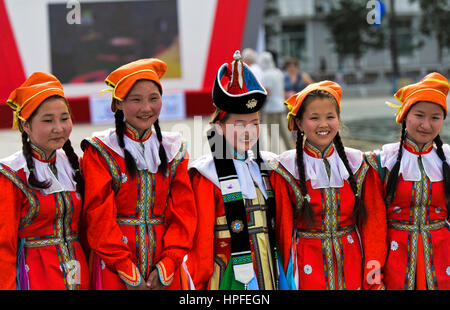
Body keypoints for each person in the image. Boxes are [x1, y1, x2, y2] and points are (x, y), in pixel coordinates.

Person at [80, 58, 197, 290]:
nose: (146, 108)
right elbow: (97, 214)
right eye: (136, 100)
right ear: (118, 104)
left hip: (164, 265)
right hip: (115, 266)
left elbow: (184, 211)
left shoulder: (174, 149)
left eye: (154, 98)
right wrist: (125, 268)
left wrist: (168, 262)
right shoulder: (101, 150)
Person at [269, 81, 387, 290]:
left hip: (352, 261)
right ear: (299, 123)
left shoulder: (358, 164)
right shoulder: (285, 169)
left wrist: (373, 270)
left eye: (330, 117)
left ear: (339, 120)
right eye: (314, 118)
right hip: (306, 265)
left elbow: (373, 224)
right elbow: (283, 229)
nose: (323, 124)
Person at [184, 50, 282, 290]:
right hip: (227, 276)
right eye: (239, 124)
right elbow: (203, 240)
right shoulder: (206, 175)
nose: (248, 132)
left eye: (255, 123)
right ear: (219, 126)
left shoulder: (268, 167)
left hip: (270, 270)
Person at [0, 72, 89, 289]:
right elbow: (4, 245)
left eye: (64, 118)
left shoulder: (78, 165)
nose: (58, 128)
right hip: (35, 274)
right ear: (25, 126)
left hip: (79, 271)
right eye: (48, 120)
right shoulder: (11, 174)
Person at [366, 72, 450, 290]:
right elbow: (374, 225)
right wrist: (374, 278)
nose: (426, 125)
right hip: (396, 260)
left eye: (435, 117)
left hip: (443, 259)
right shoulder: (382, 163)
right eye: (419, 115)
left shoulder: (448, 160)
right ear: (404, 116)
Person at [259, 51, 293, 151]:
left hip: (271, 108)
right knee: (284, 132)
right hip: (280, 106)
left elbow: (267, 91)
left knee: (273, 133)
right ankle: (291, 151)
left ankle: (274, 155)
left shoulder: (267, 74)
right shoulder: (278, 72)